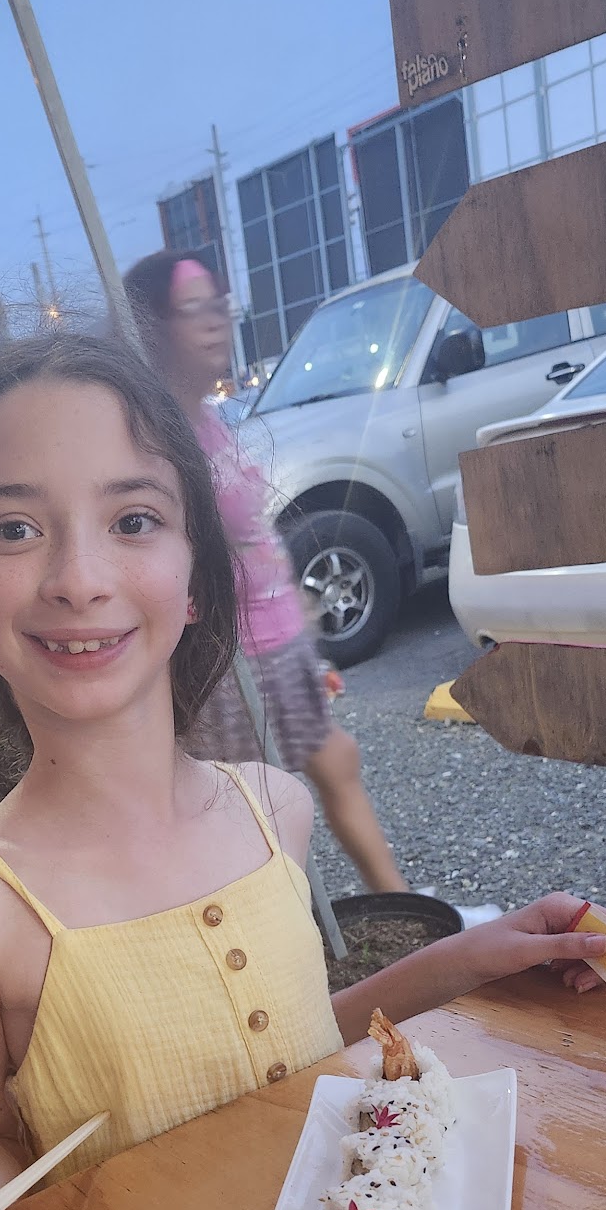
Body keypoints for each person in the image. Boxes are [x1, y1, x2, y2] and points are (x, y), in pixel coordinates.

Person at [0, 333, 606, 1210]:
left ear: (198, 578)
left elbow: (291, 1052)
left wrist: (474, 956)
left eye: (134, 519)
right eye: (14, 529)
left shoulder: (273, 807)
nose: (79, 577)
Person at [123, 250, 408, 896]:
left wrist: (295, 611)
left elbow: (251, 536)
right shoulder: (157, 437)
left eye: (219, 305)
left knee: (334, 763)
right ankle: (287, 931)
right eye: (193, 309)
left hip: (278, 641)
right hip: (233, 662)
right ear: (152, 327)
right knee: (251, 816)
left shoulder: (207, 419)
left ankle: (405, 911)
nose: (215, 322)